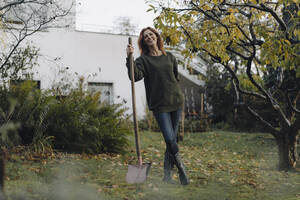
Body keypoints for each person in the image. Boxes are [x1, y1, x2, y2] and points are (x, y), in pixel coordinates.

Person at [126, 27, 189, 185]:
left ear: (156, 37)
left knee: (171, 141)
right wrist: (129, 58)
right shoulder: (142, 60)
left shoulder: (170, 57)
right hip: (159, 105)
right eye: (145, 36)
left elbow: (175, 77)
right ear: (143, 41)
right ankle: (181, 168)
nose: (149, 37)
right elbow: (135, 77)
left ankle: (167, 177)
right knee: (169, 138)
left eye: (151, 34)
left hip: (176, 102)